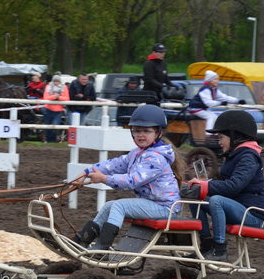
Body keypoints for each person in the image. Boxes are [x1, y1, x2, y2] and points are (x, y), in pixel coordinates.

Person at [71, 105, 184, 267]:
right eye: (137, 131)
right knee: (110, 205)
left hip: (165, 208)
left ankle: (101, 249)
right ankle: (82, 240)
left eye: (146, 131)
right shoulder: (137, 153)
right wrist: (87, 171)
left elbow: (132, 181)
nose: (141, 135)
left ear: (158, 133)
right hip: (152, 204)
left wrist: (103, 179)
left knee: (119, 206)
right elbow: (114, 164)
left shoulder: (155, 158)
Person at [181, 110, 264, 262]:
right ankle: (206, 244)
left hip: (251, 215)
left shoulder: (248, 157)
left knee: (217, 200)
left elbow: (233, 186)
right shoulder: (235, 155)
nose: (218, 142)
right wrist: (198, 183)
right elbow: (220, 183)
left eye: (221, 137)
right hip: (237, 208)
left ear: (235, 137)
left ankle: (219, 248)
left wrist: (205, 185)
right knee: (197, 198)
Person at [42, 75, 70, 142]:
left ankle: (53, 141)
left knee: (54, 127)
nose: (56, 82)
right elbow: (45, 98)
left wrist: (58, 98)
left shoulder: (64, 87)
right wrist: (55, 97)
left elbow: (67, 99)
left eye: (57, 81)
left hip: (58, 111)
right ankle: (48, 141)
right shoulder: (48, 87)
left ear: (60, 81)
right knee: (47, 127)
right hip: (48, 109)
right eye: (55, 81)